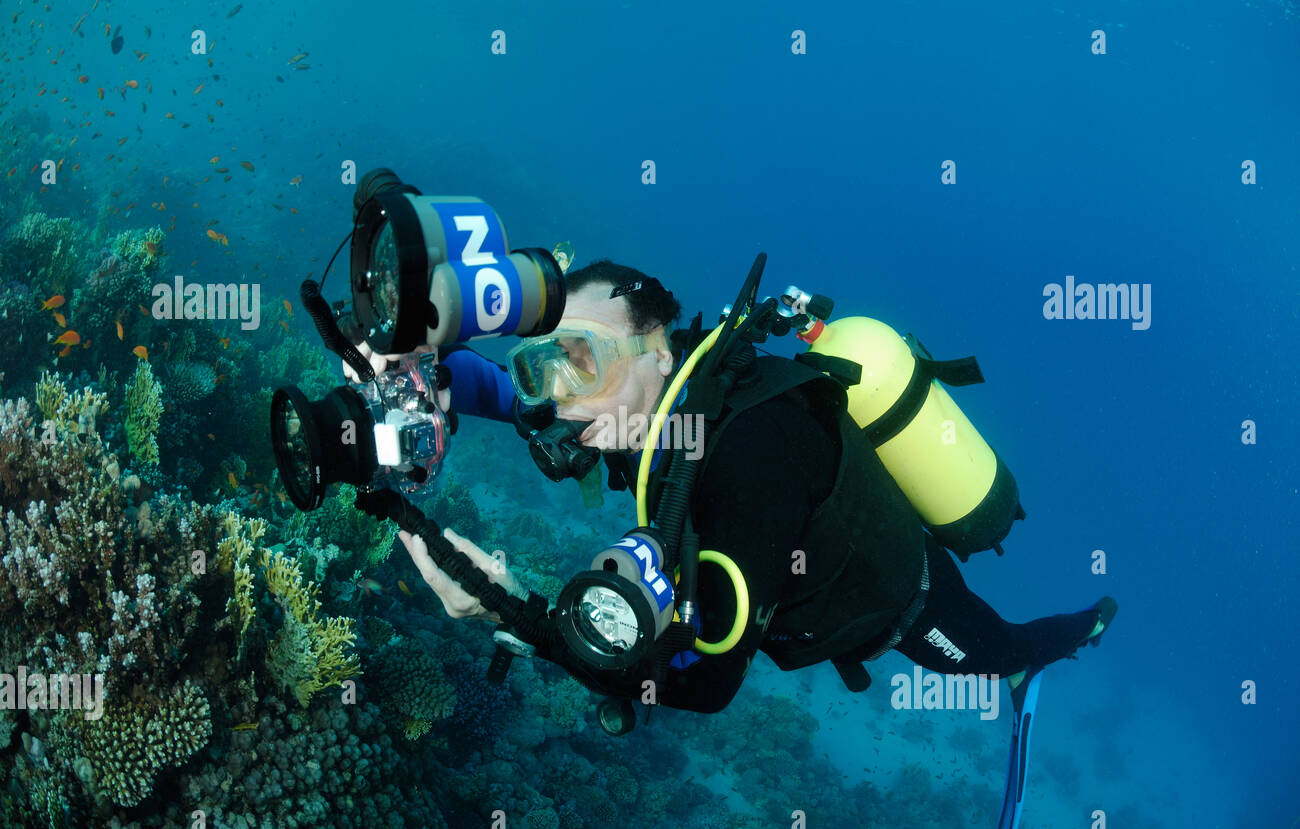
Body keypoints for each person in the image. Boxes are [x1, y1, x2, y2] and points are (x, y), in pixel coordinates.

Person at [344, 259, 1119, 717]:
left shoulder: (744, 456)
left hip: (898, 601)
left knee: (988, 651)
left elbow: (708, 680)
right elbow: (507, 396)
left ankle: (1056, 644)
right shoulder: (657, 407)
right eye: (538, 365)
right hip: (825, 528)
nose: (554, 399)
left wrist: (516, 613)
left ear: (654, 349)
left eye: (578, 360)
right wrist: (428, 371)